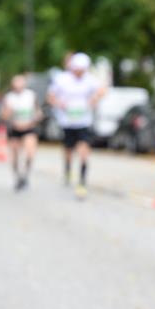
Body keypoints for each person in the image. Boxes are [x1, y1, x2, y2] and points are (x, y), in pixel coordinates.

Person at [48, 52, 105, 199]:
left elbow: (102, 90)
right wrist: (59, 104)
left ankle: (82, 182)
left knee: (83, 150)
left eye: (83, 70)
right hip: (67, 121)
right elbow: (51, 97)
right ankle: (67, 170)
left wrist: (94, 99)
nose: (80, 72)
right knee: (68, 149)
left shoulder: (89, 80)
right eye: (78, 69)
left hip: (83, 121)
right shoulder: (62, 79)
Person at [1, 74, 41, 191]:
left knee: (30, 153)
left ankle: (25, 174)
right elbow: (4, 116)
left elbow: (38, 111)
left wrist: (36, 117)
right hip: (15, 129)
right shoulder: (9, 97)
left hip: (29, 128)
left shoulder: (31, 95)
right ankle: (17, 176)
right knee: (15, 156)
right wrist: (8, 113)